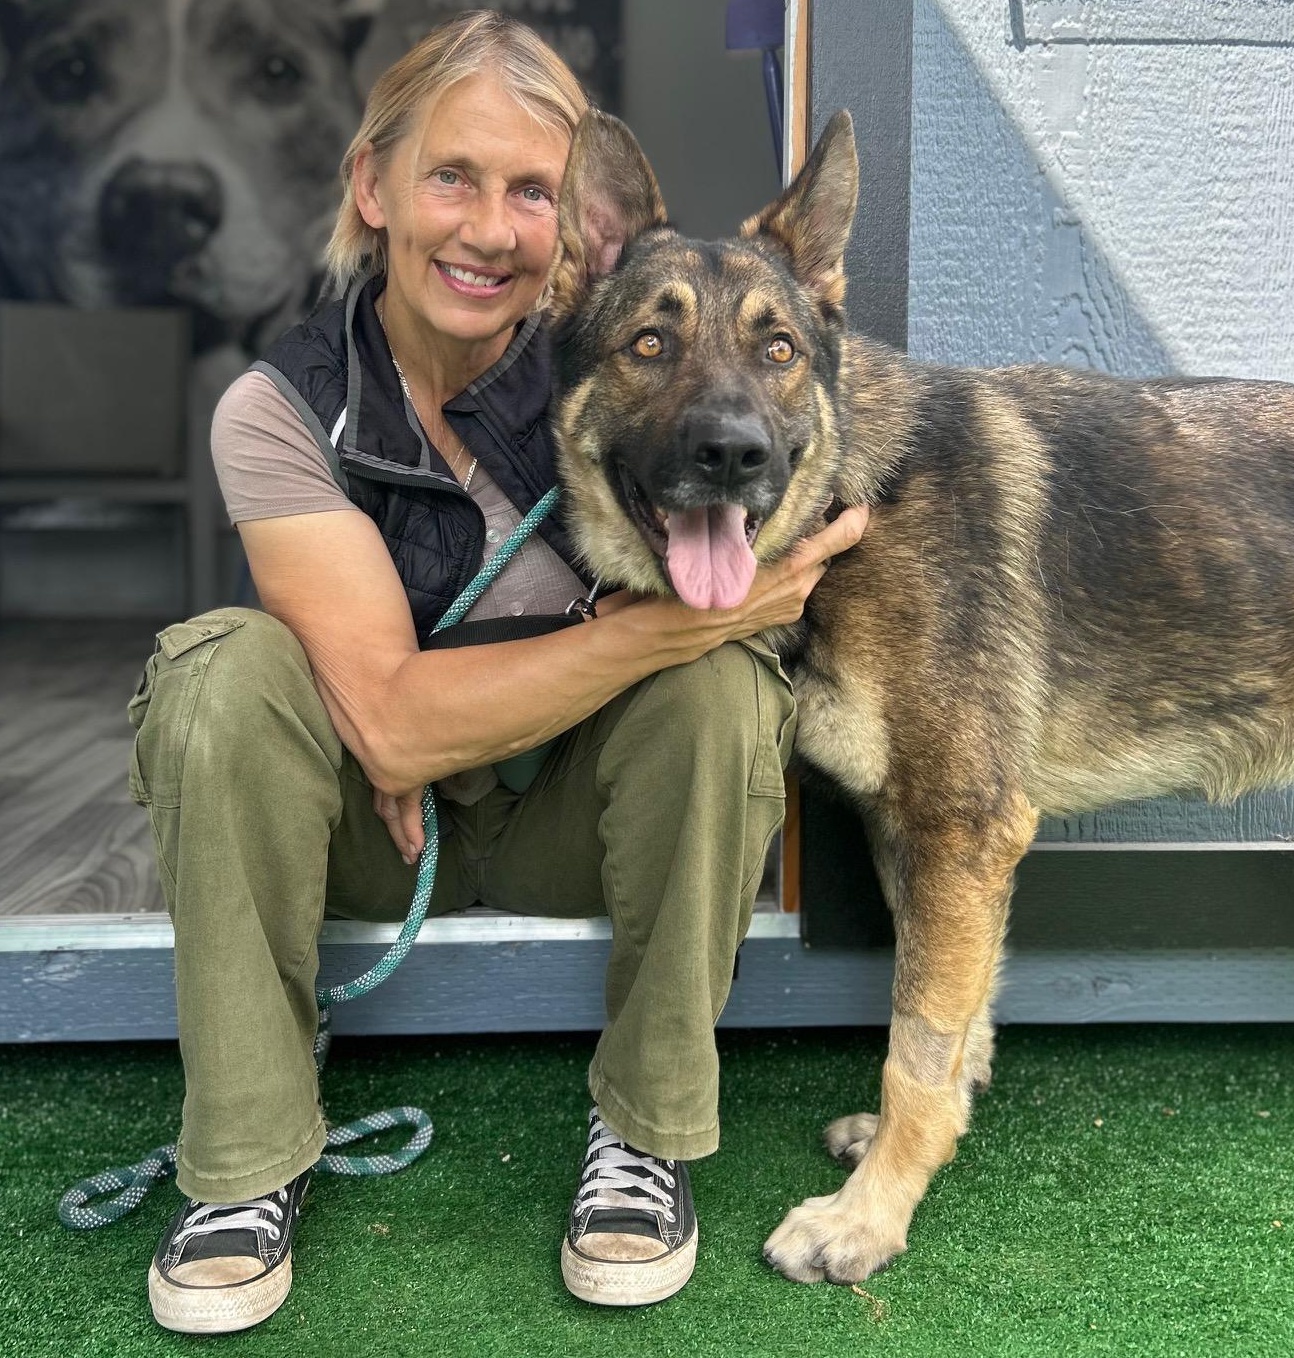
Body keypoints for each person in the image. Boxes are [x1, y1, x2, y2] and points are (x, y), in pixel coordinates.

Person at [128, 10, 868, 1335]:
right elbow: (397, 735)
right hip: (366, 829)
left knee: (722, 691)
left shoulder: (626, 360)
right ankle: (247, 1158)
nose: (488, 228)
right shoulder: (281, 408)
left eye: (532, 191)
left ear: (576, 232)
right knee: (221, 670)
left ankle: (643, 1131)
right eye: (450, 177)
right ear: (373, 188)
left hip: (572, 826)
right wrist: (676, 621)